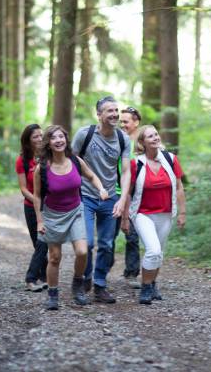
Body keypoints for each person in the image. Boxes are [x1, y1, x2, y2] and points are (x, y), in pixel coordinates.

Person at [33, 125, 108, 310]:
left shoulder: (75, 160)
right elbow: (36, 196)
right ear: (48, 144)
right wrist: (40, 220)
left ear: (66, 140)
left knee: (83, 251)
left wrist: (101, 188)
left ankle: (77, 285)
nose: (58, 140)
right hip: (52, 215)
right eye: (53, 138)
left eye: (61, 137)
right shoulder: (41, 168)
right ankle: (52, 294)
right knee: (54, 257)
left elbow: (91, 176)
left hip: (76, 211)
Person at [72, 96, 131, 304]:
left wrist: (122, 200)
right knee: (87, 243)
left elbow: (125, 172)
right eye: (109, 111)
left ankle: (99, 285)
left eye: (116, 110)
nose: (115, 114)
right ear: (99, 114)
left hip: (110, 198)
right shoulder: (84, 134)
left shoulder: (123, 139)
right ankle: (84, 278)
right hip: (85, 196)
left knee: (107, 244)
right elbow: (71, 160)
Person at [122, 125, 186, 305]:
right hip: (143, 214)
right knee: (153, 250)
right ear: (142, 142)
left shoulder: (171, 159)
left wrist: (182, 212)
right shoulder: (137, 163)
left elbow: (180, 187)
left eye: (156, 134)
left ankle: (152, 283)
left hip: (165, 214)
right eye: (150, 136)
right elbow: (128, 192)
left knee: (159, 253)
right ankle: (145, 287)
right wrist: (125, 218)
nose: (155, 138)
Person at [15, 124, 48, 292]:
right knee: (39, 243)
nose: (40, 139)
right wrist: (37, 201)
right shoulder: (22, 160)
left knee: (44, 242)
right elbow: (23, 188)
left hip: (49, 206)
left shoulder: (48, 156)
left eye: (42, 135)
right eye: (35, 136)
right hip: (31, 206)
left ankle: (41, 277)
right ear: (28, 140)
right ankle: (33, 278)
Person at [116, 107, 142, 287]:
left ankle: (132, 272)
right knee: (108, 235)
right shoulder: (115, 139)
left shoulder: (142, 142)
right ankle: (100, 271)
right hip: (115, 191)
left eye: (126, 121)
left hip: (136, 193)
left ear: (136, 122)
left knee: (132, 234)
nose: (123, 124)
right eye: (121, 121)